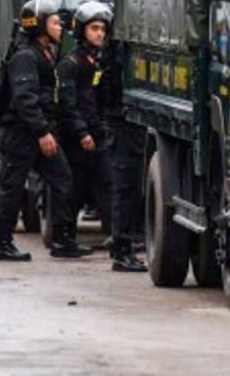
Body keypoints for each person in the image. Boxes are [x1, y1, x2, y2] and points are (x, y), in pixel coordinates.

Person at [0, 0, 89, 262]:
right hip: (23, 134)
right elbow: (25, 100)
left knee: (63, 178)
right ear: (40, 25)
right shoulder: (25, 56)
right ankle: (2, 244)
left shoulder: (46, 53)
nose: (61, 28)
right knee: (11, 187)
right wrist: (42, 132)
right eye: (56, 22)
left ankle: (61, 239)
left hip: (39, 132)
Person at [56, 1, 114, 248]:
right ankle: (65, 238)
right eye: (94, 28)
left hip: (98, 135)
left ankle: (115, 234)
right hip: (77, 139)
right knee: (74, 189)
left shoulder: (98, 62)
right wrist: (81, 132)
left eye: (102, 29)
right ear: (81, 30)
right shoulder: (71, 63)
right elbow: (67, 105)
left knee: (107, 184)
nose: (99, 33)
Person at [99, 15, 147, 273]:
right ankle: (122, 249)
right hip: (122, 122)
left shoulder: (117, 45)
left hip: (124, 121)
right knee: (125, 187)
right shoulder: (117, 48)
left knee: (127, 187)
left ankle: (123, 245)